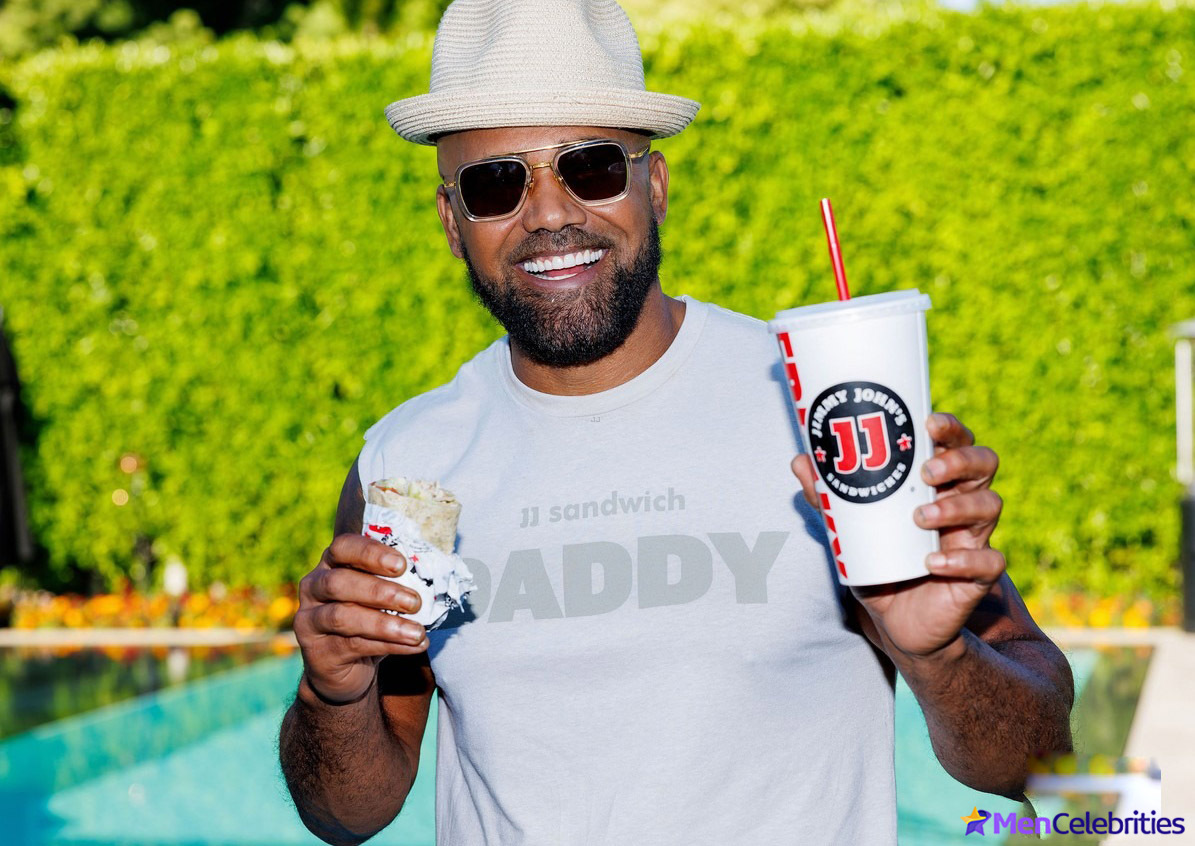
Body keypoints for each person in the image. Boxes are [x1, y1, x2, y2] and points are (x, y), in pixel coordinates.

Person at [278, 1, 1074, 843]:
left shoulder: (819, 408)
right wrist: (329, 693)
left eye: (589, 169)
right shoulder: (408, 462)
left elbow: (1036, 762)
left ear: (652, 186)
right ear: (451, 223)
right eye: (495, 182)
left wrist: (937, 656)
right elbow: (346, 815)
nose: (548, 214)